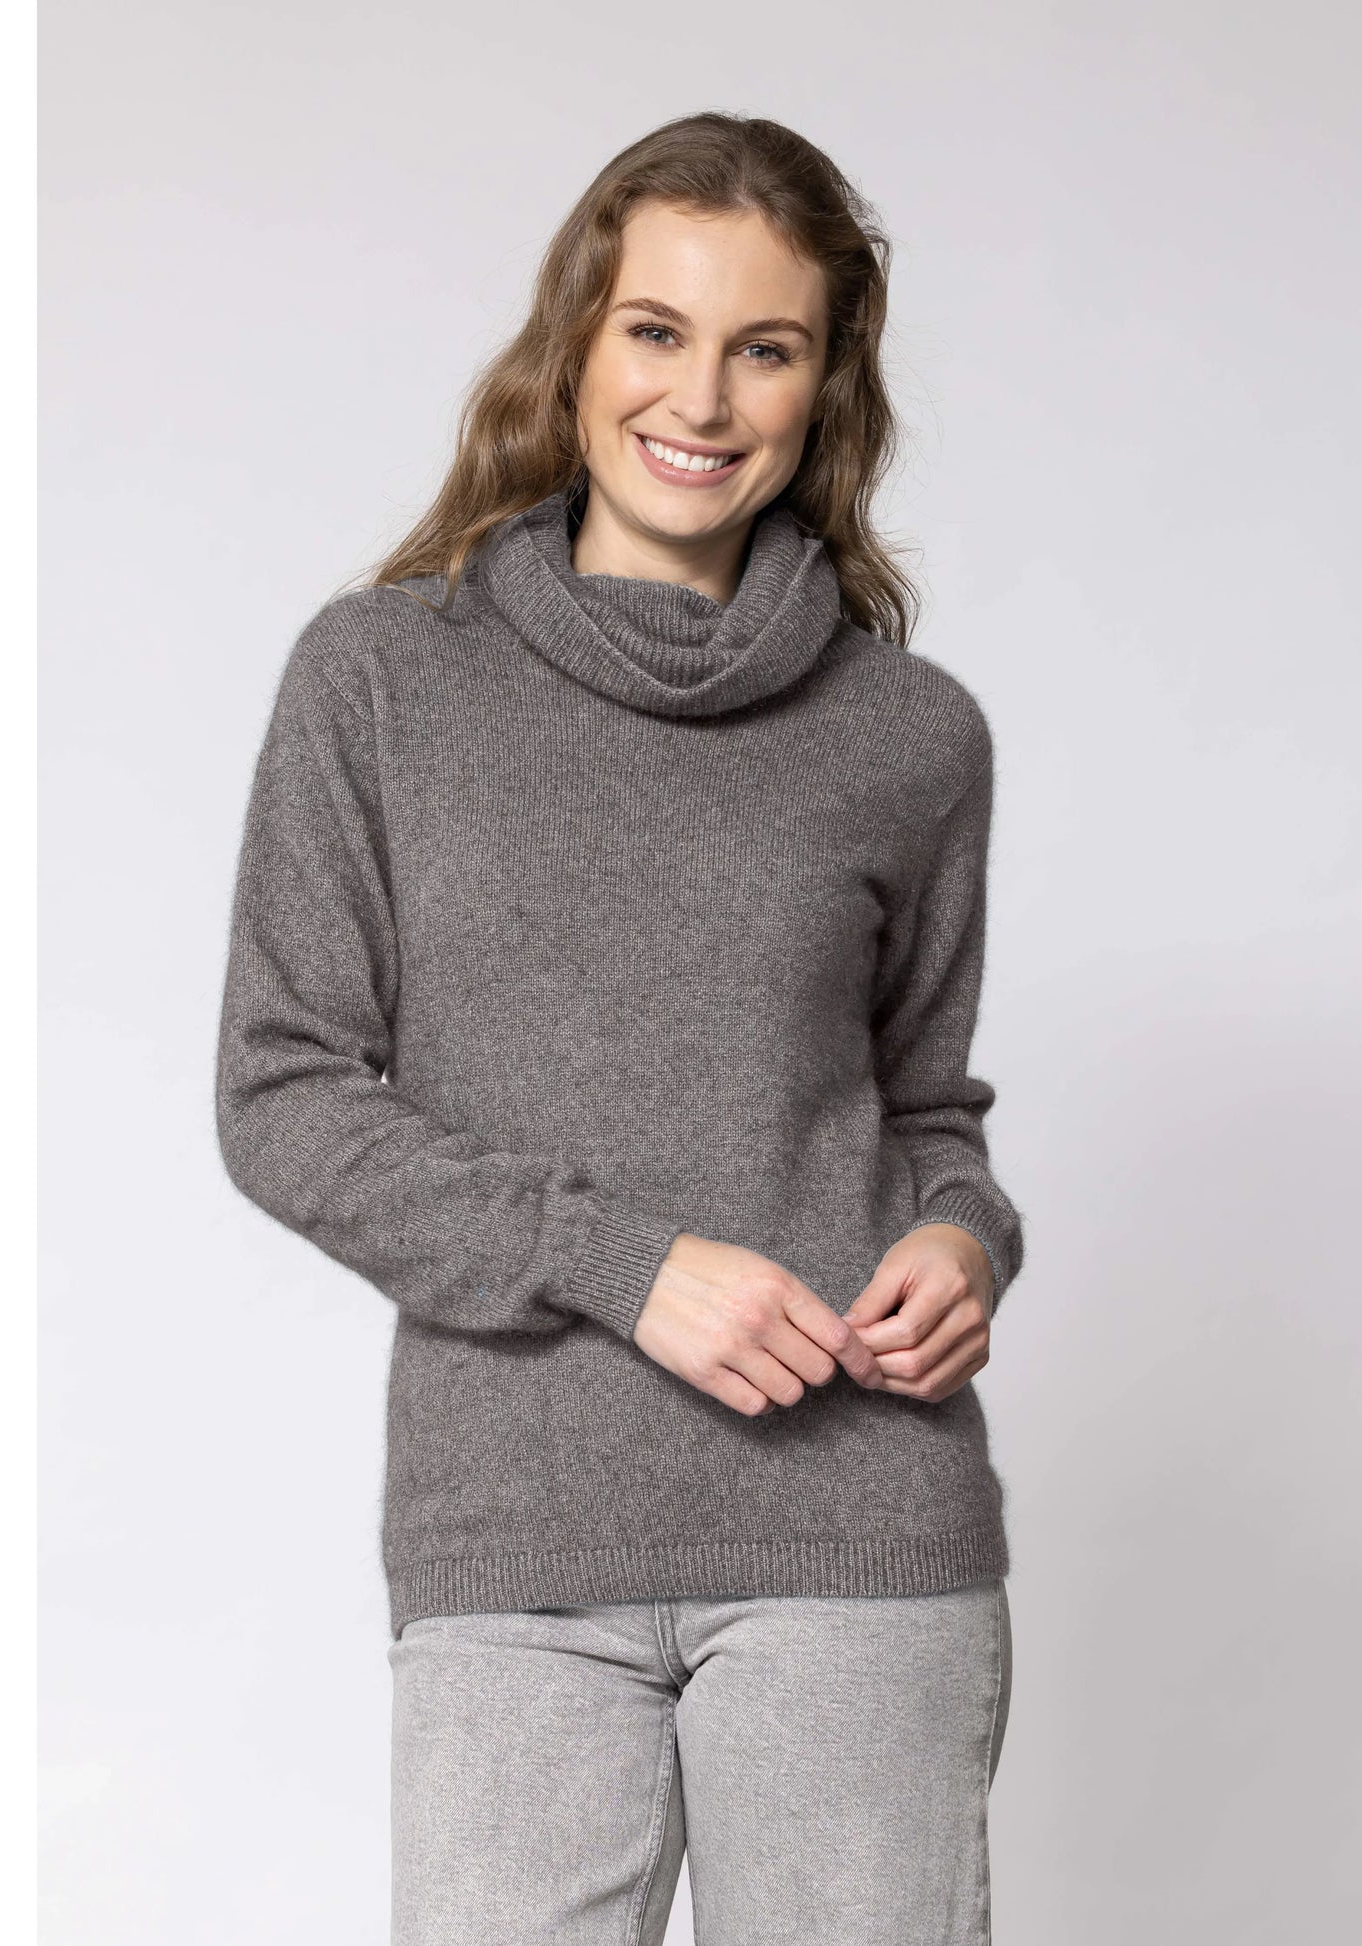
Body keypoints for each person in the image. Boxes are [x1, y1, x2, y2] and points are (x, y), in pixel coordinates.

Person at [215, 110, 1024, 1945]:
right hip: (517, 1538)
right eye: (657, 329)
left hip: (859, 1532)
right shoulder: (381, 679)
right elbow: (281, 1093)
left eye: (766, 347)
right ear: (576, 342)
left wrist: (963, 1240)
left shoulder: (911, 737)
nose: (702, 397)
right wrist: (622, 1263)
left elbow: (926, 1109)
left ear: (826, 388)